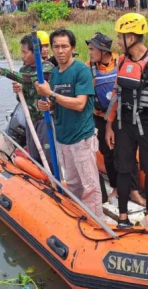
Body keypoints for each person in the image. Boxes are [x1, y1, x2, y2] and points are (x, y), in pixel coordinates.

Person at [105, 13, 148, 228]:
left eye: (121, 36)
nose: (118, 40)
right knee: (124, 168)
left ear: (132, 37)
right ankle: (124, 216)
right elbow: (117, 93)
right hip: (124, 123)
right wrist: (109, 124)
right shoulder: (123, 60)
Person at [35, 28, 104, 218]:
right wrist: (46, 104)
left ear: (72, 48)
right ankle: (78, 217)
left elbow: (80, 104)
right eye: (56, 46)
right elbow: (56, 104)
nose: (60, 50)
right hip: (63, 137)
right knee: (72, 183)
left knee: (90, 185)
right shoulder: (55, 74)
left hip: (81, 137)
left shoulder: (81, 70)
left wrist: (50, 94)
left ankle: (97, 221)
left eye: (64, 46)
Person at [86, 32, 145, 206]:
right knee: (108, 154)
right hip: (100, 117)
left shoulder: (121, 62)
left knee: (128, 153)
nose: (89, 52)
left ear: (103, 50)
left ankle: (133, 191)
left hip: (122, 116)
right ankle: (116, 187)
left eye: (92, 49)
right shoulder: (88, 67)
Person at [0, 35, 55, 164]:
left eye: (25, 52)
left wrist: (1, 71)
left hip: (45, 119)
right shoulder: (24, 69)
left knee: (48, 154)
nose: (22, 56)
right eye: (21, 52)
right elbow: (22, 98)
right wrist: (19, 91)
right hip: (30, 119)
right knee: (34, 153)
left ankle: (56, 180)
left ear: (35, 52)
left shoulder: (47, 67)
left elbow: (29, 79)